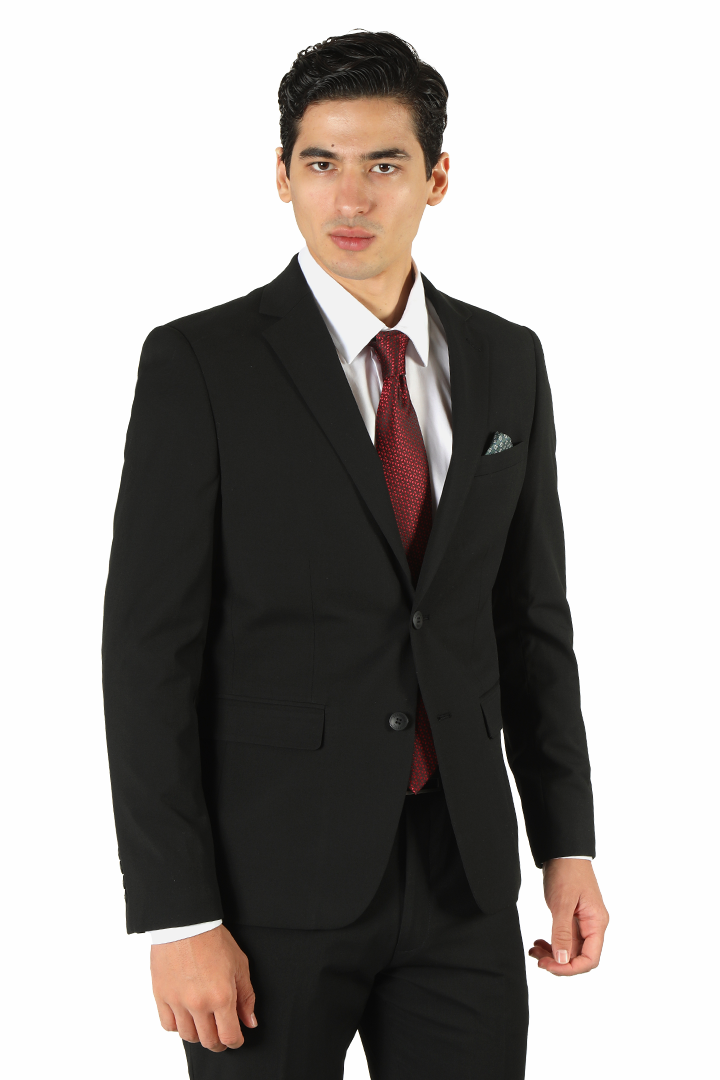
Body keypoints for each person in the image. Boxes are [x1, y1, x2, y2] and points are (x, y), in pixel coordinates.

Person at [102, 29, 609, 1080]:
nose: (351, 197)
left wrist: (566, 843)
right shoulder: (200, 363)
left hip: (465, 881)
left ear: (437, 177)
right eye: (321, 162)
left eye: (384, 164)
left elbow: (530, 623)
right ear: (281, 174)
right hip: (265, 893)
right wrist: (177, 914)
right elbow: (147, 653)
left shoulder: (508, 360)